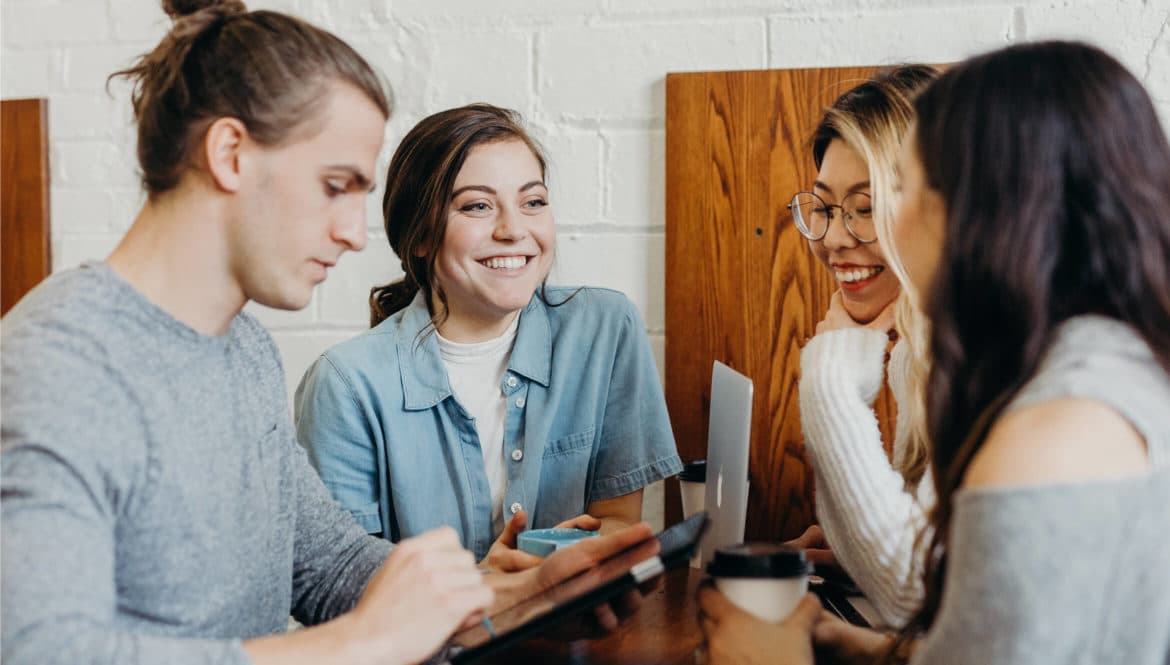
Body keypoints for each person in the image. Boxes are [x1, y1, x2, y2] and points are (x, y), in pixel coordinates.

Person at [0, 3, 655, 665]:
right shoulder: (58, 364)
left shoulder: (244, 350)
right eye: (335, 186)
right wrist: (362, 642)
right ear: (229, 154)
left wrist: (518, 596)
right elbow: (41, 650)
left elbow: (331, 566)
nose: (353, 232)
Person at [699, 40, 1170, 665]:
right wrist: (870, 650)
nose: (851, 233)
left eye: (903, 190)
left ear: (989, 209)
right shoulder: (1101, 367)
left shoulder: (1052, 432)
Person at [294, 103, 683, 566]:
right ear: (419, 236)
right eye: (477, 206)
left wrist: (572, 559)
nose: (514, 230)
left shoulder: (604, 329)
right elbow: (342, 583)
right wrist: (490, 588)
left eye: (532, 202)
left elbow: (619, 520)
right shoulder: (345, 385)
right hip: (430, 639)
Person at [787, 65, 939, 628]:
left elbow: (915, 596)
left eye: (866, 206)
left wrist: (829, 379)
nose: (832, 238)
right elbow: (921, 572)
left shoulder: (988, 357)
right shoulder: (917, 351)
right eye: (824, 207)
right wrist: (854, 550)